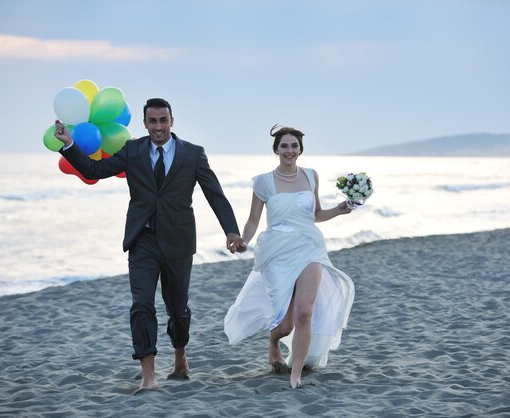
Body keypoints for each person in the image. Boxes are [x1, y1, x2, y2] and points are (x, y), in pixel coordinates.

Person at [54, 98, 243, 393]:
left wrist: (231, 231)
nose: (158, 127)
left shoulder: (193, 154)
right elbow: (93, 170)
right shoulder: (132, 150)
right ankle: (149, 375)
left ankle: (180, 353)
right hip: (142, 240)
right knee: (141, 305)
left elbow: (214, 194)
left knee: (177, 308)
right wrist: (69, 144)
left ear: (172, 120)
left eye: (163, 120)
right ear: (144, 123)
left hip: (179, 242)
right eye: (152, 121)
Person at [224, 124, 355, 389]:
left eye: (294, 145)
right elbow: (252, 221)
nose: (289, 150)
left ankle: (295, 374)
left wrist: (338, 210)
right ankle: (274, 342)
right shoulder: (263, 182)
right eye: (284, 145)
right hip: (277, 252)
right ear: (276, 150)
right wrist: (243, 241)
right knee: (285, 323)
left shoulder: (311, 176)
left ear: (300, 149)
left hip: (310, 247)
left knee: (305, 312)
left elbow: (315, 214)